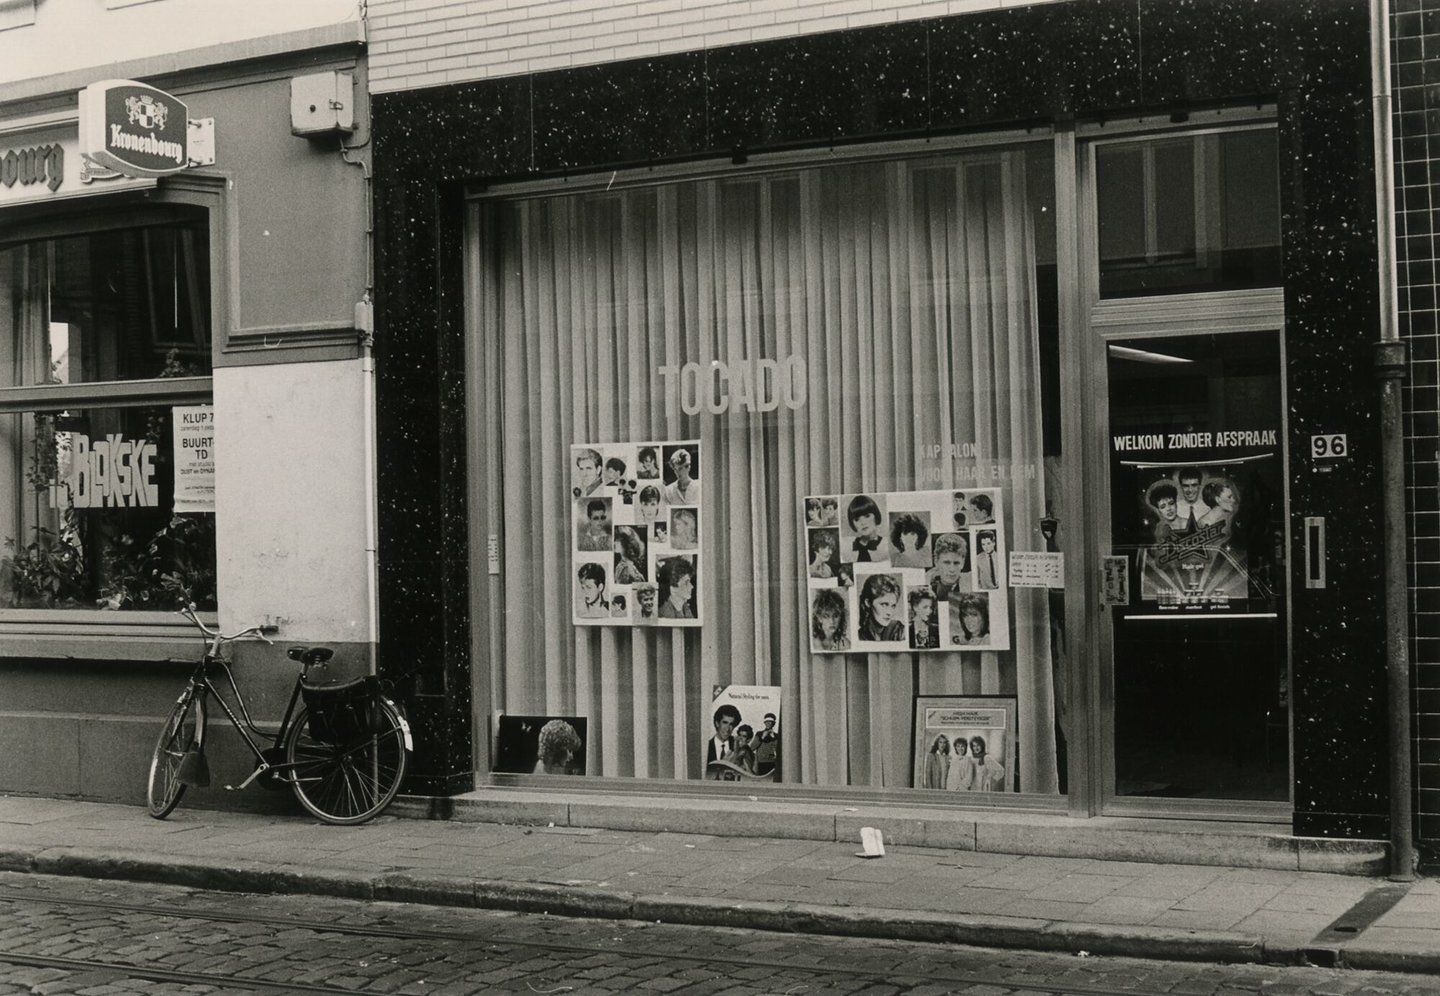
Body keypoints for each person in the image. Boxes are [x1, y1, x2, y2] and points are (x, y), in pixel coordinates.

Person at [857, 574, 904, 642]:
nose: (889, 612)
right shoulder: (859, 636)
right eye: (884, 604)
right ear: (868, 603)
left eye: (893, 606)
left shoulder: (899, 630)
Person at [926, 532, 970, 600]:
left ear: (963, 563)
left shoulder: (972, 583)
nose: (952, 569)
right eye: (946, 563)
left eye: (956, 563)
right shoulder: (925, 585)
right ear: (936, 561)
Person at [846, 494, 890, 563]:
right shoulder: (848, 548)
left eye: (867, 516)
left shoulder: (886, 545)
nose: (863, 523)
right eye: (857, 519)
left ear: (876, 516)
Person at [706, 703, 740, 776]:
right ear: (717, 723)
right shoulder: (705, 748)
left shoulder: (738, 747)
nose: (727, 729)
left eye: (731, 724)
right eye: (725, 723)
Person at [1175, 468, 1204, 532]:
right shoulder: (1174, 509)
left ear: (1200, 486)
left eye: (1194, 485)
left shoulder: (1208, 509)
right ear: (1180, 487)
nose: (1190, 490)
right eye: (1186, 486)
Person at [752, 712, 779, 777]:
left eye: (770, 722)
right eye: (766, 722)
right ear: (764, 723)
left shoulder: (776, 736)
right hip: (760, 762)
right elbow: (752, 748)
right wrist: (762, 737)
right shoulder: (759, 734)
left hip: (772, 762)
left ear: (773, 723)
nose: (768, 724)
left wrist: (773, 737)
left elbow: (778, 749)